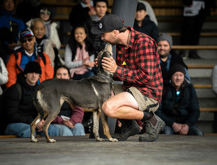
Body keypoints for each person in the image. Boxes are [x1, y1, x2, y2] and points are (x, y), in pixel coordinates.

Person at [91, 14, 164, 142]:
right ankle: (130, 126)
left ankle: (152, 120)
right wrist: (105, 66)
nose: (101, 37)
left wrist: (116, 69)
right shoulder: (120, 45)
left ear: (115, 32)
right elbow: (121, 74)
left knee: (109, 107)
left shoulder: (143, 42)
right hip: (132, 88)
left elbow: (146, 77)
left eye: (103, 34)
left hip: (148, 92)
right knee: (101, 91)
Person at [3, 61, 59, 137]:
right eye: (31, 73)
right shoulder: (15, 89)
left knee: (52, 129)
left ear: (39, 76)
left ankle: (49, 149)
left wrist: (41, 121)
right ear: (25, 74)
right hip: (13, 124)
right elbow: (11, 115)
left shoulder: (40, 90)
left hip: (32, 123)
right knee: (28, 130)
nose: (34, 76)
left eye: (36, 73)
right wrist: (33, 122)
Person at [156, 64, 204, 136]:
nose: (178, 78)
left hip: (186, 123)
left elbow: (195, 110)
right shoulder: (164, 88)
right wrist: (173, 124)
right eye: (175, 75)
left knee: (198, 134)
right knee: (166, 133)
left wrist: (187, 125)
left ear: (184, 77)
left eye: (181, 75)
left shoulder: (189, 88)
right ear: (171, 76)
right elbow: (158, 111)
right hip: (168, 123)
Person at [52, 65, 85, 136]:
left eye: (64, 74)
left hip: (71, 120)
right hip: (55, 122)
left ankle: (82, 147)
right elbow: (47, 113)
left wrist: (71, 122)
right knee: (65, 131)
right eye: (59, 74)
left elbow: (79, 111)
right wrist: (62, 121)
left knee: (79, 127)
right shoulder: (50, 91)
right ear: (54, 77)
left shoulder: (74, 91)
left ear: (68, 77)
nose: (62, 77)